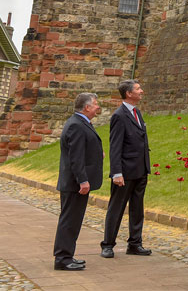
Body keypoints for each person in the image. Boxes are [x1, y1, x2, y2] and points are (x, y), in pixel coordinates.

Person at [100, 79, 152, 258]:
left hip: (140, 170)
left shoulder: (137, 112)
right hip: (124, 173)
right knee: (116, 208)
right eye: (138, 89)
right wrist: (117, 173)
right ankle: (108, 245)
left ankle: (135, 244)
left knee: (137, 209)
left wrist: (146, 166)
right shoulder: (119, 115)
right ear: (129, 93)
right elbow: (115, 147)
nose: (142, 91)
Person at [53, 92, 103, 271]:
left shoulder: (80, 123)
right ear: (86, 107)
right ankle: (63, 259)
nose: (98, 107)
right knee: (69, 221)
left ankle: (67, 255)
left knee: (72, 221)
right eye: (95, 104)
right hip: (75, 184)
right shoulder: (76, 125)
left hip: (75, 183)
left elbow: (82, 149)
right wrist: (83, 180)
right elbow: (75, 157)